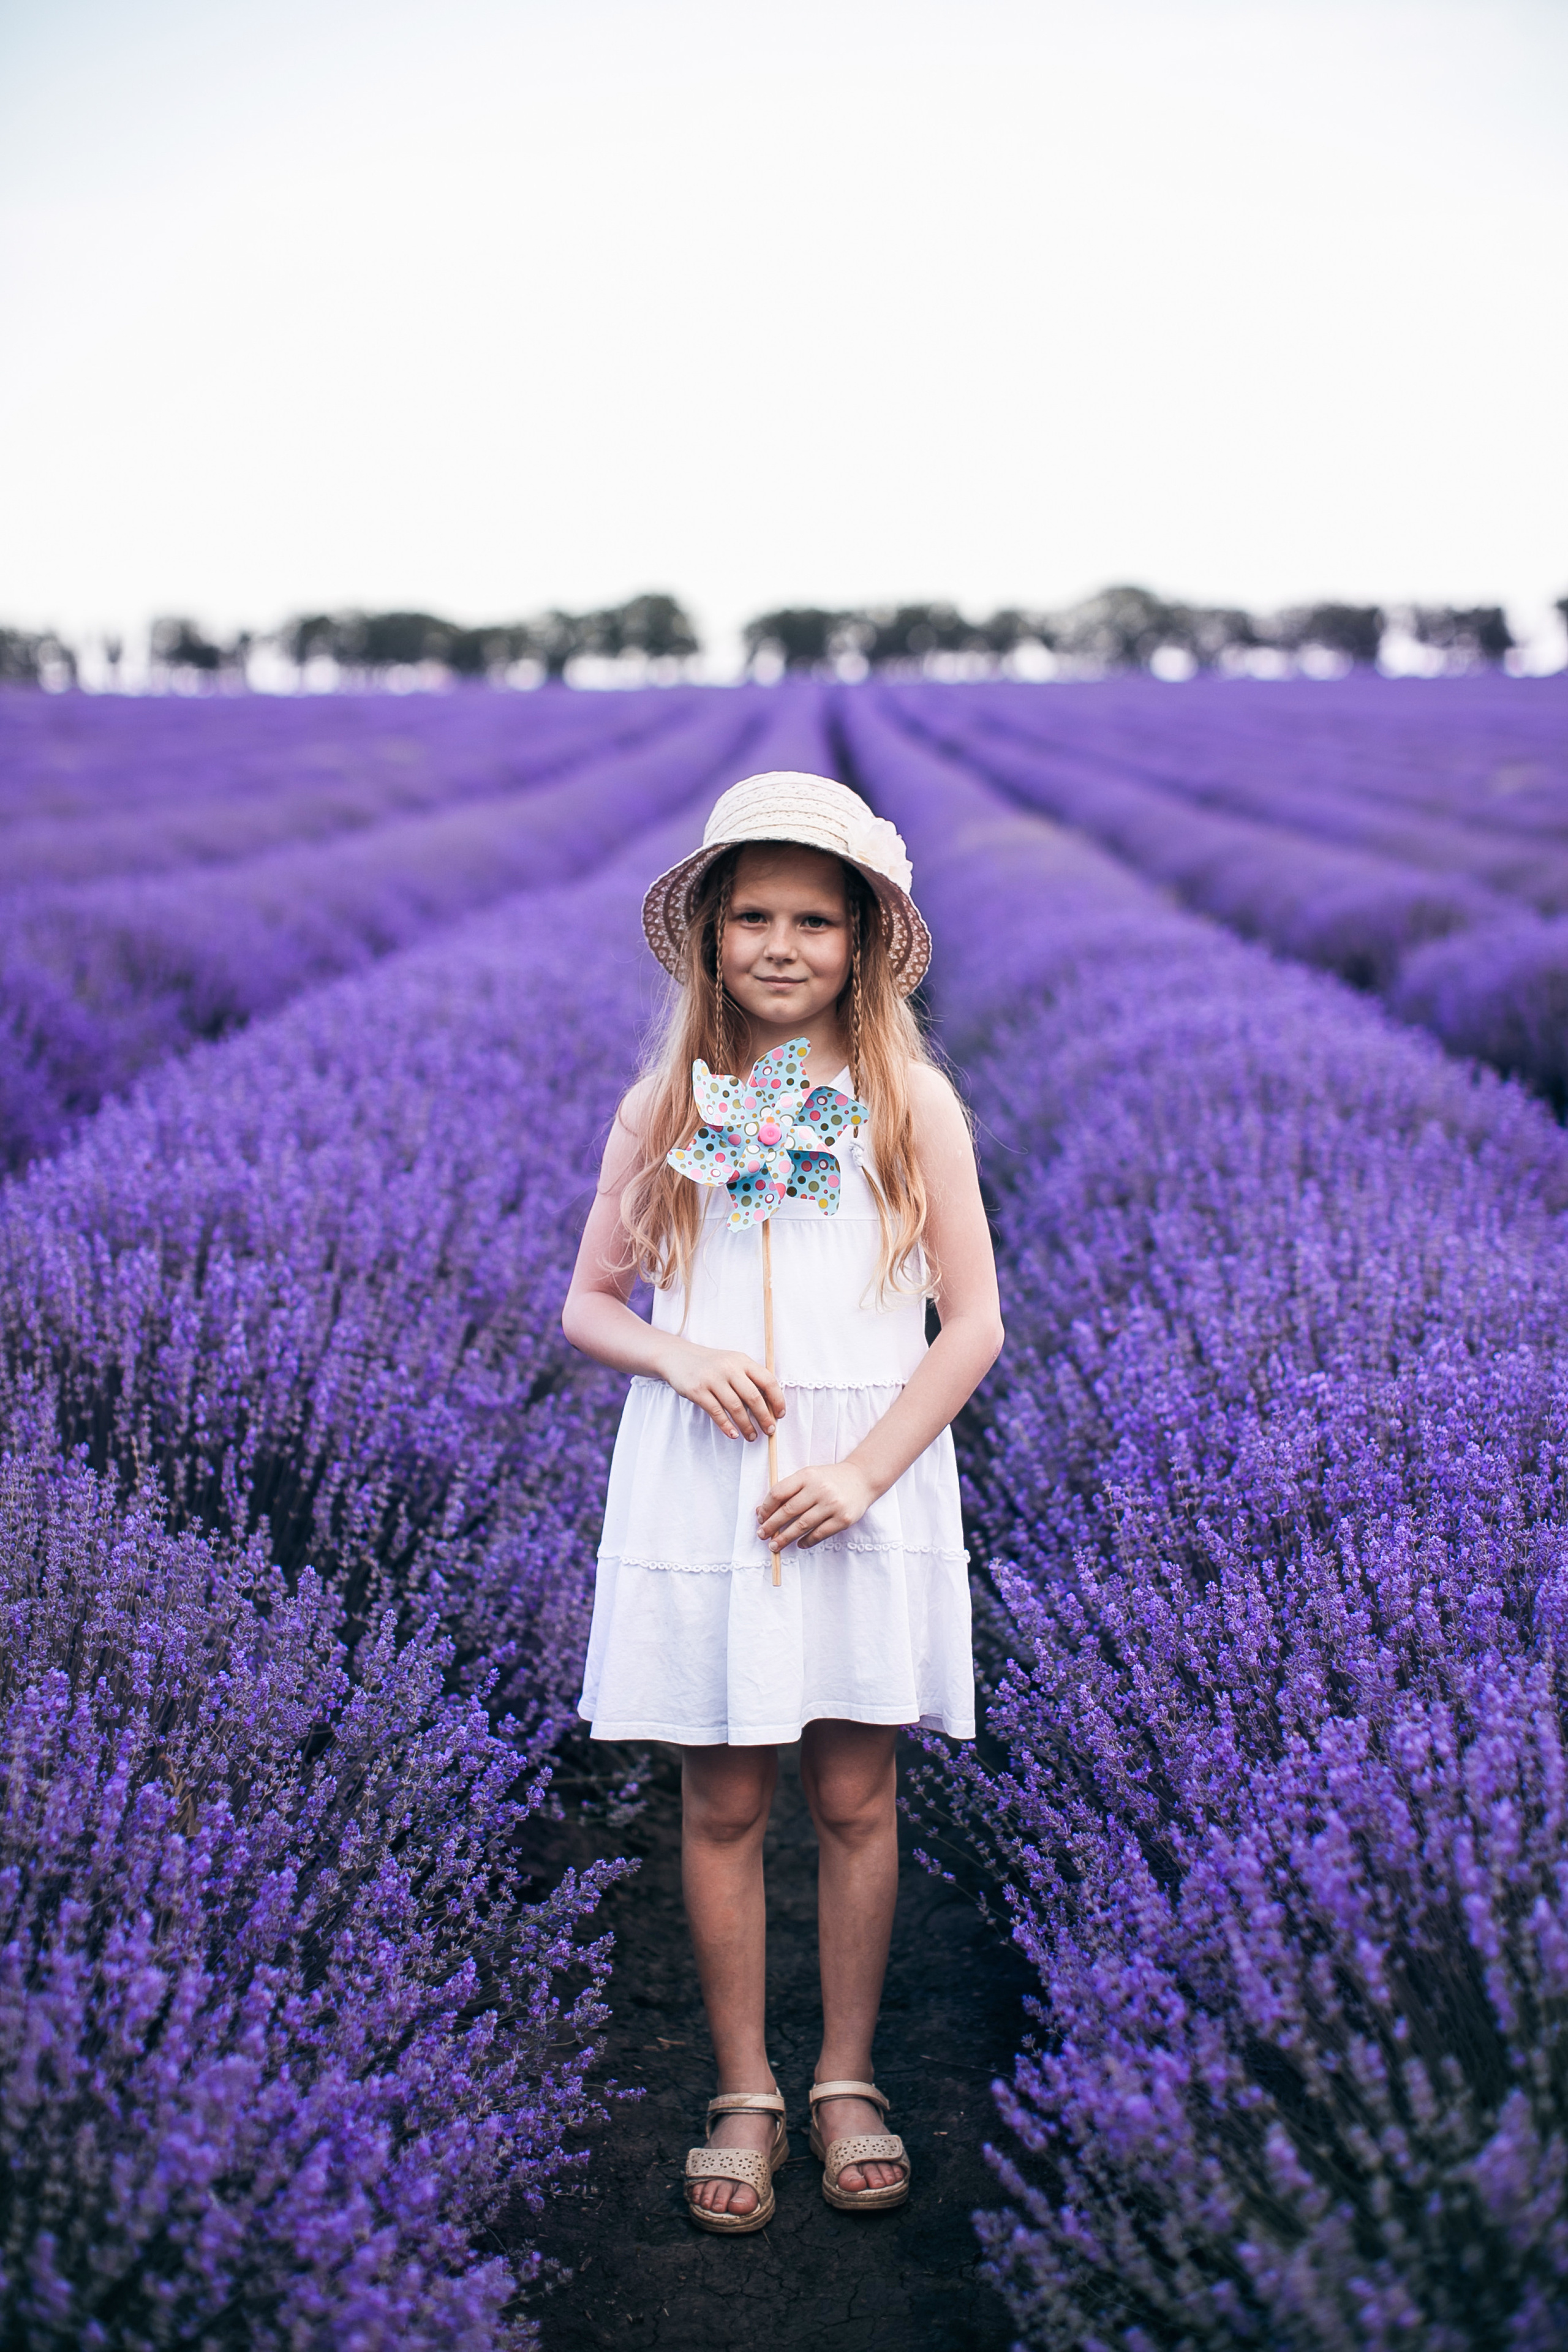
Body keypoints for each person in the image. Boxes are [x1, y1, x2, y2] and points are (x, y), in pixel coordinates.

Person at [562, 771, 1003, 2233]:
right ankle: (743, 2087)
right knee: (724, 1796)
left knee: (856, 1793)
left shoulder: (908, 1101)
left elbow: (973, 1325)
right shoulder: (663, 1100)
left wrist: (866, 1469)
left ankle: (847, 2076)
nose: (777, 943)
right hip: (709, 1475)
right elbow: (588, 1306)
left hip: (856, 1477)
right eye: (750, 913)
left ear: (864, 941)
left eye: (813, 919)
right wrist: (680, 1354)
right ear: (707, 939)